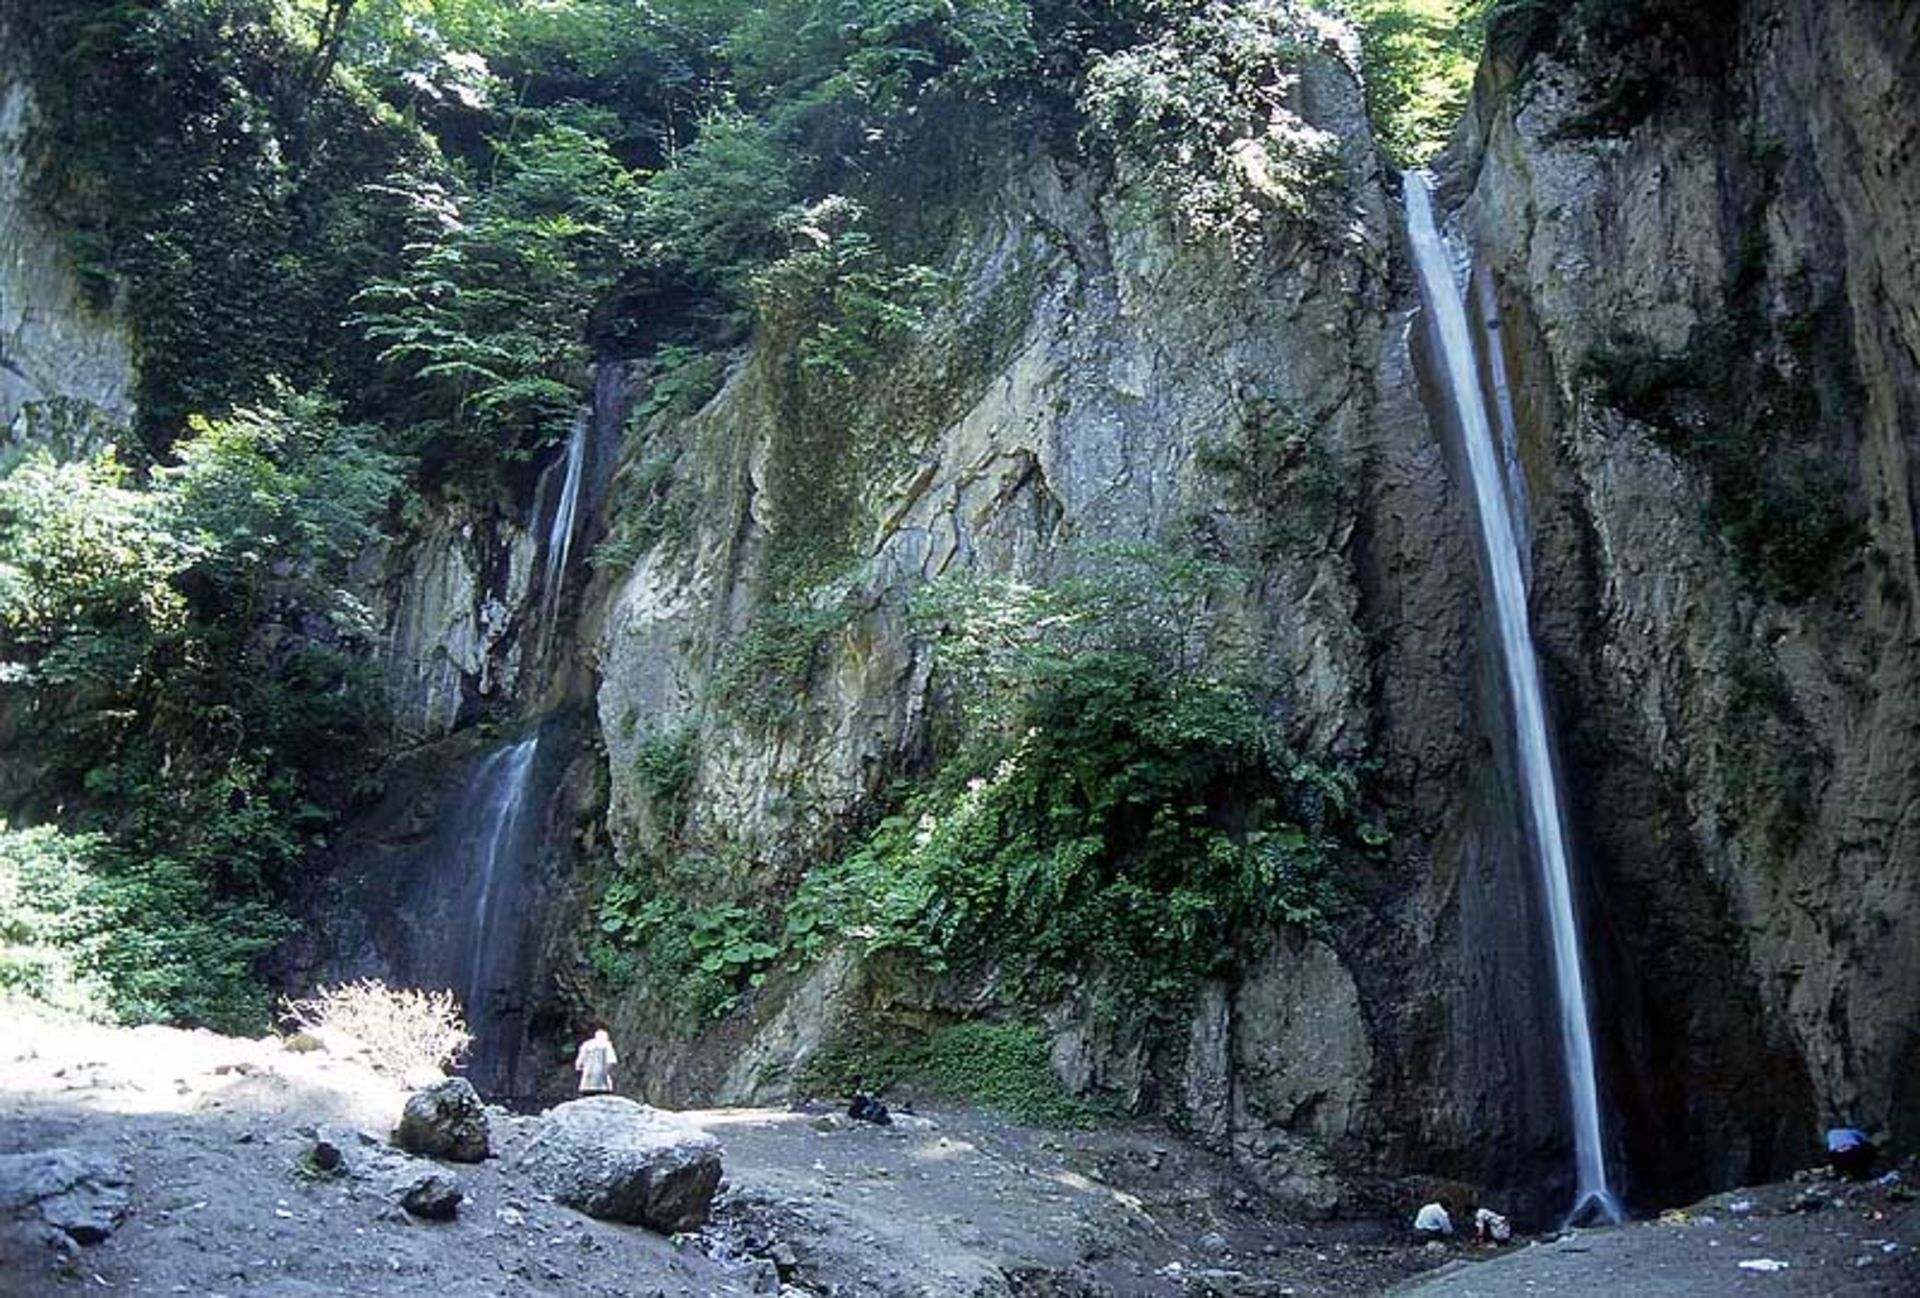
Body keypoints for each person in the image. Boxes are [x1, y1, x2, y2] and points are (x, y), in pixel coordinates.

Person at [574, 1027, 618, 1095]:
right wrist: (608, 1072)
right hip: (602, 1083)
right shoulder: (606, 1045)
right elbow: (611, 1061)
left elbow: (579, 1063)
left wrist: (580, 1067)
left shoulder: (586, 1045)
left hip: (587, 1081)